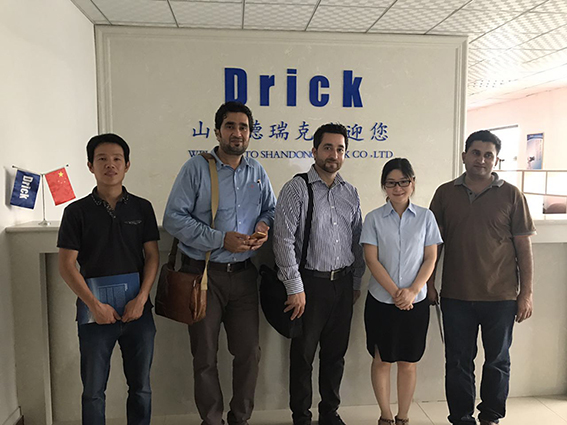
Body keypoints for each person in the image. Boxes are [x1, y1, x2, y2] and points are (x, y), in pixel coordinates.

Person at [163, 101, 276, 425]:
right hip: (203, 276)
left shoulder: (256, 171)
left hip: (243, 277)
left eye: (243, 127)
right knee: (204, 355)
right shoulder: (196, 169)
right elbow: (173, 218)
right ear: (217, 132)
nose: (237, 133)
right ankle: (212, 420)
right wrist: (219, 239)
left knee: (249, 353)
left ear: (250, 133)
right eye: (230, 126)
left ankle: (240, 418)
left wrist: (263, 226)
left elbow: (271, 209)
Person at [428, 130, 535, 425]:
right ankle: (461, 417)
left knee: (497, 361)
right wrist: (429, 283)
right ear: (464, 156)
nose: (482, 160)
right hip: (456, 295)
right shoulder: (445, 193)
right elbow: (433, 245)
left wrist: (526, 294)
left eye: (489, 155)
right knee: (458, 362)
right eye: (476, 153)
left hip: (501, 297)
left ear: (496, 160)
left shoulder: (511, 194)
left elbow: (523, 248)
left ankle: (490, 416)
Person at [58, 133, 160, 425]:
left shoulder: (142, 207)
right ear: (90, 165)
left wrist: (141, 299)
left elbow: (152, 256)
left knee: (141, 388)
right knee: (93, 392)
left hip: (137, 312)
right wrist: (94, 305)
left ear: (127, 165)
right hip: (94, 315)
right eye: (102, 159)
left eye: (117, 159)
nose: (110, 165)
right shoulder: (76, 212)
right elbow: (66, 265)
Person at [273, 123, 365, 425]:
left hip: (342, 284)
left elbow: (356, 240)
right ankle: (301, 416)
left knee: (335, 355)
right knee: (303, 356)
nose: (333, 155)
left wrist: (355, 282)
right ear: (314, 151)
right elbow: (282, 239)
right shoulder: (297, 188)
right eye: (327, 148)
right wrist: (294, 287)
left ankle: (329, 413)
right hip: (308, 285)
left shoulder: (350, 193)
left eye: (340, 149)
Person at [361, 158, 442, 425]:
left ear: (412, 182)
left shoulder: (426, 218)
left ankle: (403, 416)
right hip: (381, 301)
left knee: (408, 362)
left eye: (403, 182)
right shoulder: (373, 218)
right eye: (391, 183)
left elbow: (430, 258)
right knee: (382, 360)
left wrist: (413, 291)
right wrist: (397, 292)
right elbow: (371, 260)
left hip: (415, 302)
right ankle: (385, 416)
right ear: (384, 186)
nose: (398, 188)